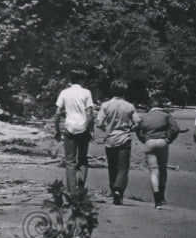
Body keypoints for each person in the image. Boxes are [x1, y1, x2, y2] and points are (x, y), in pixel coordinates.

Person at [135, 95, 182, 209]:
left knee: (153, 171)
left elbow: (139, 130)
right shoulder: (166, 115)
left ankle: (157, 201)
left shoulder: (145, 116)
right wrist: (168, 139)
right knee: (163, 169)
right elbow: (175, 129)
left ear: (148, 106)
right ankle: (162, 195)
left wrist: (144, 139)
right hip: (162, 142)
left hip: (149, 142)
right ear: (160, 105)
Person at [54, 68, 95, 198]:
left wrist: (57, 130)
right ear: (81, 79)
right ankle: (81, 188)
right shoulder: (86, 92)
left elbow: (57, 113)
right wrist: (91, 130)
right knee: (83, 159)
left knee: (70, 161)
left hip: (69, 128)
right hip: (83, 127)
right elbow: (89, 114)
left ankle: (72, 192)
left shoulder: (64, 92)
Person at [95, 79, 138, 205]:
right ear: (125, 91)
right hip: (124, 138)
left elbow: (99, 123)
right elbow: (137, 123)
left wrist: (107, 129)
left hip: (110, 139)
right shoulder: (129, 106)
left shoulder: (106, 105)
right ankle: (119, 190)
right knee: (123, 167)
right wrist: (131, 128)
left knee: (112, 167)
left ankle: (113, 190)